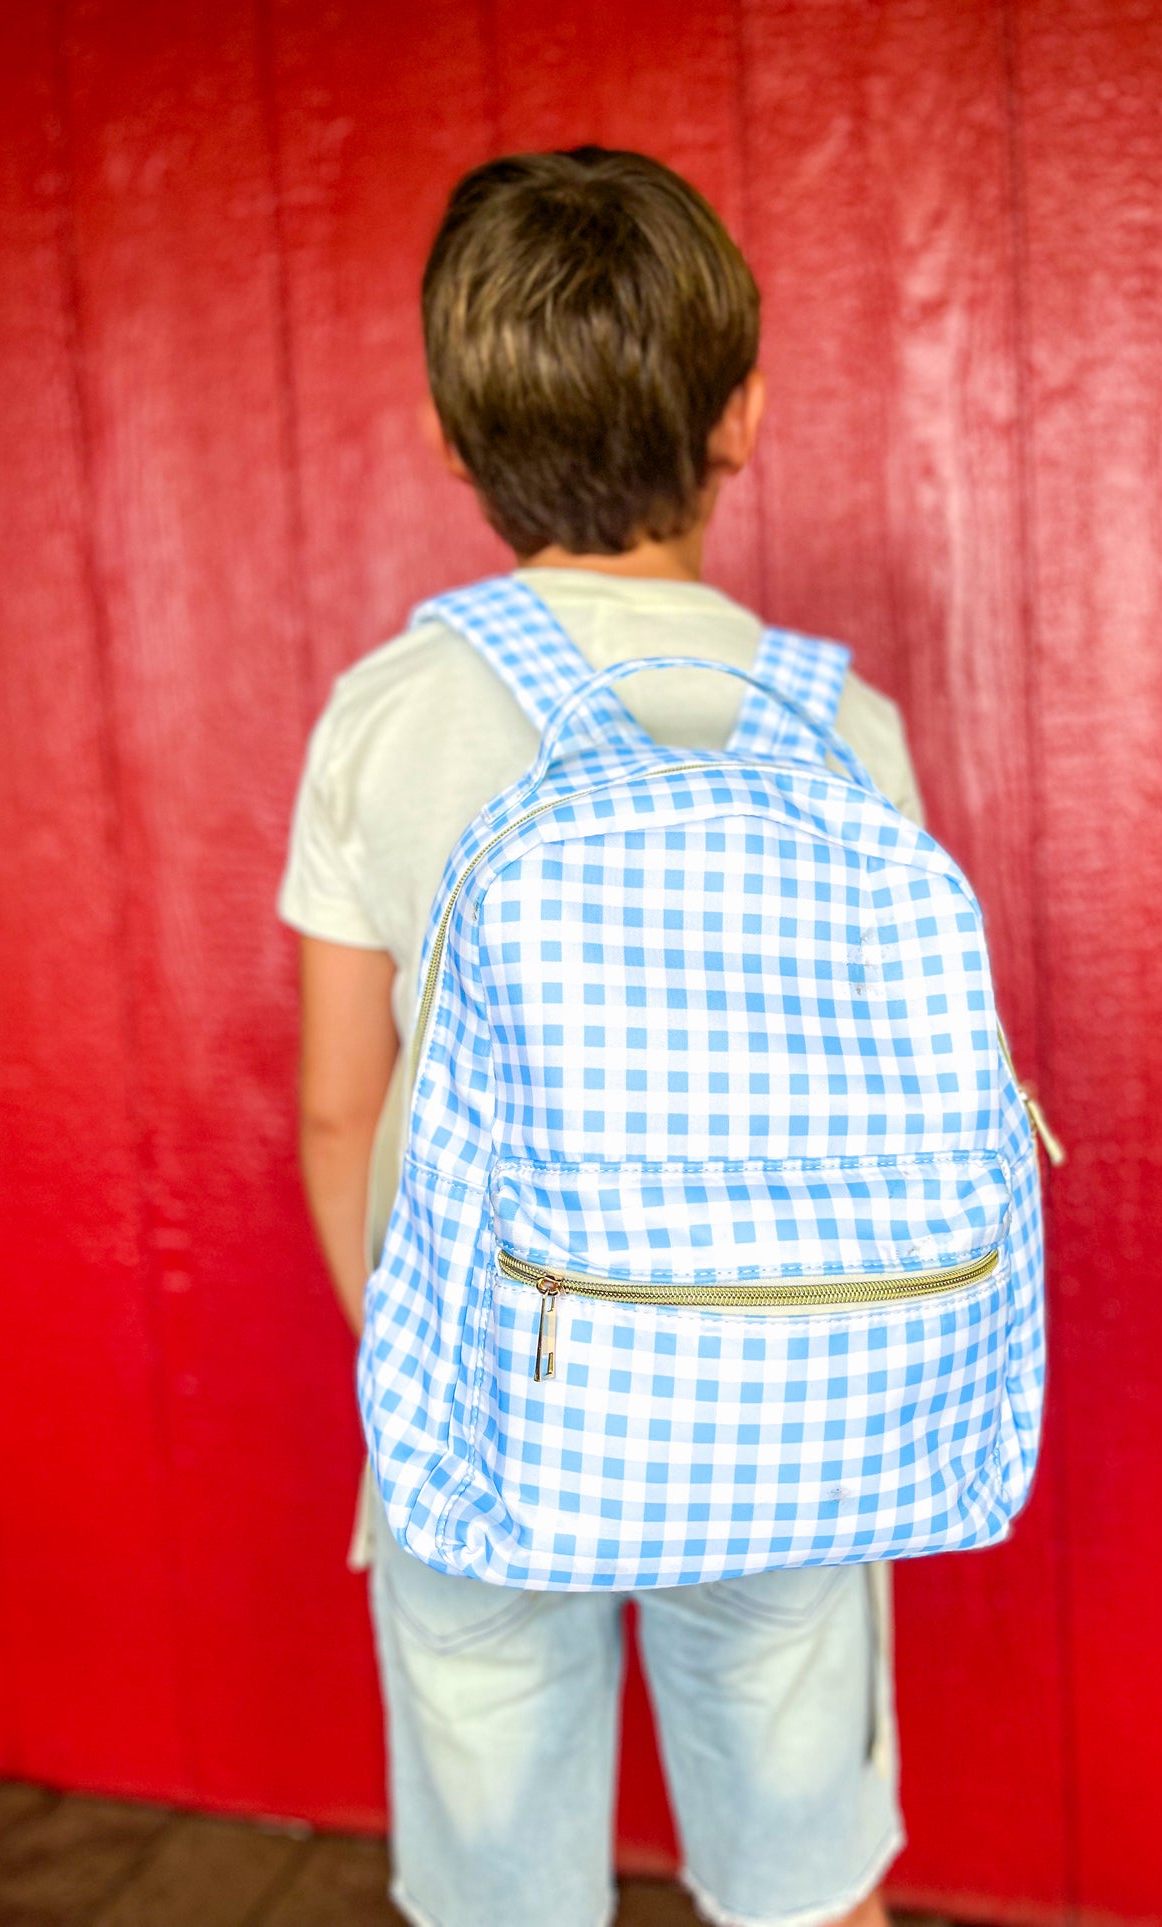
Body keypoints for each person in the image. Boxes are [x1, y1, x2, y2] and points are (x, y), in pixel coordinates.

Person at [279, 147, 924, 1927]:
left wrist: (426, 1379)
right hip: (776, 1394)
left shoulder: (388, 718)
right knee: (803, 1882)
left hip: (479, 1413)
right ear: (742, 417)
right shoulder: (841, 732)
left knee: (497, 1892)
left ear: (447, 433)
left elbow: (341, 1114)